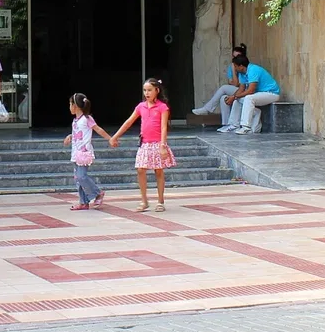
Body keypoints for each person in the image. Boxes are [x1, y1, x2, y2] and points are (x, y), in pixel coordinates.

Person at [110, 77, 176, 212]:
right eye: (145, 90)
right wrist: (115, 136)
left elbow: (164, 127)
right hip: (144, 143)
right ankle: (144, 201)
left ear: (157, 90)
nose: (147, 93)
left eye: (150, 90)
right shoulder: (141, 106)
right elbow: (129, 122)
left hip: (158, 144)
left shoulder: (162, 107)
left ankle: (160, 201)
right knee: (140, 169)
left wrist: (163, 146)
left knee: (158, 171)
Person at [63, 93, 113, 210]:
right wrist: (70, 136)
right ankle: (83, 202)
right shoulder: (75, 121)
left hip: (84, 153)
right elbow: (78, 133)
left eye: (70, 104)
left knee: (81, 176)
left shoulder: (87, 119)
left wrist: (110, 138)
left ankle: (97, 193)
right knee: (78, 178)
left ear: (75, 106)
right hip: (76, 153)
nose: (69, 107)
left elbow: (98, 129)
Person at [191, 43, 249, 128]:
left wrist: (234, 69)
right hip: (236, 90)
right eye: (233, 56)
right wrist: (233, 69)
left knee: (224, 88)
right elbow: (232, 82)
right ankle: (227, 124)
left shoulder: (243, 66)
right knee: (223, 98)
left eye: (237, 56)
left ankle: (207, 108)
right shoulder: (231, 67)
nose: (234, 59)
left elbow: (236, 83)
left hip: (244, 90)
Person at [225, 52, 281, 134]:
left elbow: (251, 90)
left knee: (248, 98)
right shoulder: (242, 73)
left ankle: (246, 127)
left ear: (241, 66)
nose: (234, 69)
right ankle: (234, 125)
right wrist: (233, 97)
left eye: (235, 67)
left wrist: (234, 97)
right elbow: (241, 89)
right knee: (238, 100)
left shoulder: (253, 70)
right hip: (260, 94)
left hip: (271, 93)